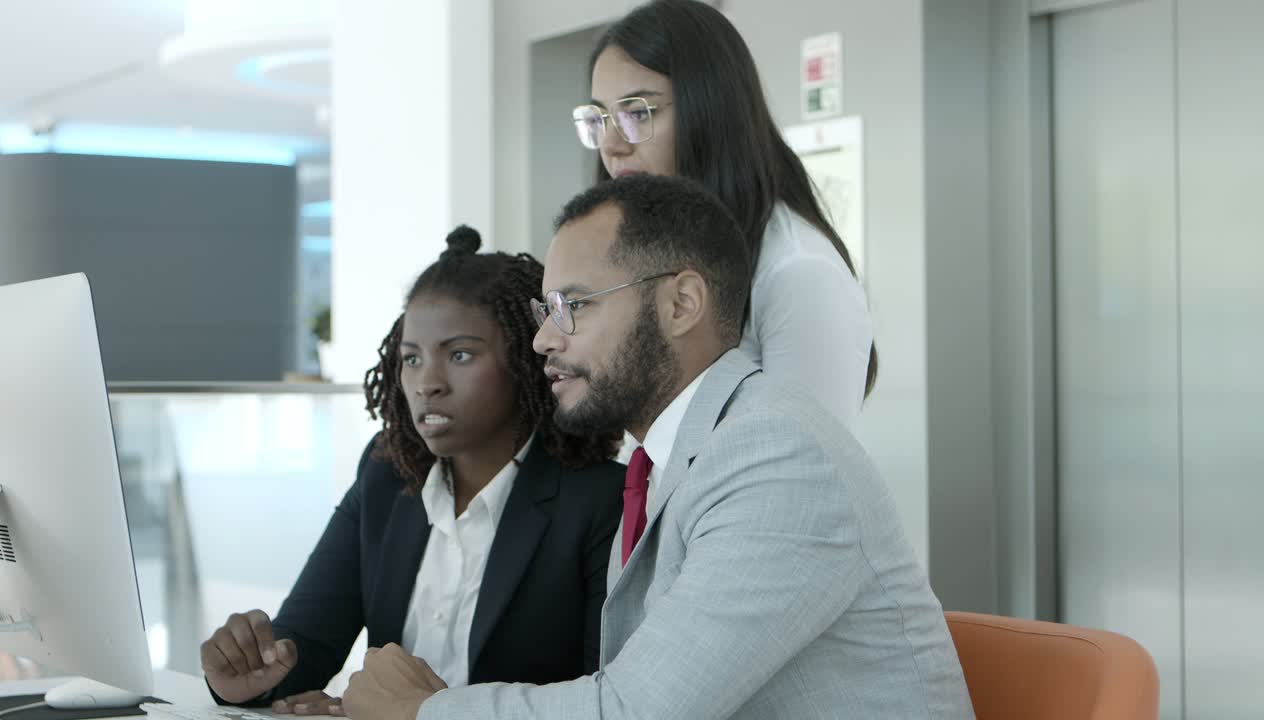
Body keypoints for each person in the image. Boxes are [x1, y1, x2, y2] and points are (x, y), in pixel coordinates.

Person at [342, 175, 974, 719]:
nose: (543, 341)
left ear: (681, 303)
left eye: (574, 306)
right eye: (545, 311)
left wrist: (420, 711)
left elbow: (638, 710)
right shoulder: (666, 461)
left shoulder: (777, 455)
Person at [199, 227, 625, 713]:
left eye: (460, 355)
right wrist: (250, 675)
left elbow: (599, 700)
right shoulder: (387, 474)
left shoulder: (599, 502)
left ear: (527, 361)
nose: (428, 383)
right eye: (412, 359)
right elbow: (307, 642)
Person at [570, 0, 877, 430]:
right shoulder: (654, 258)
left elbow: (804, 462)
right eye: (600, 118)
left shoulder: (798, 272)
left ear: (711, 110)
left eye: (638, 113)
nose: (612, 145)